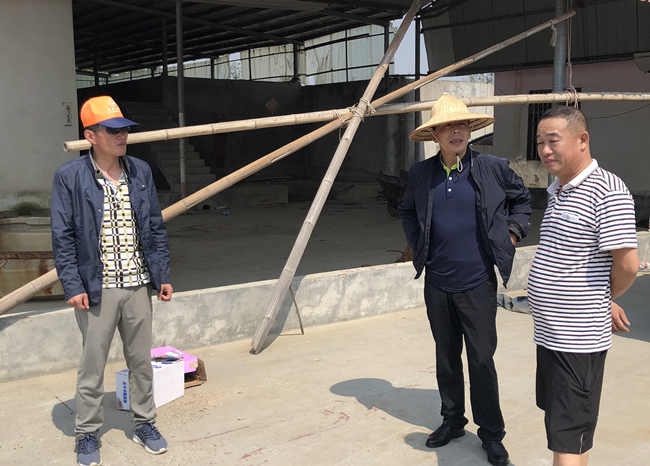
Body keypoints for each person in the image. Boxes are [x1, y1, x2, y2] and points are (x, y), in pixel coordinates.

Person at [398, 94, 531, 466]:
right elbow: (406, 211)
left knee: (481, 360)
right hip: (438, 283)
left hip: (477, 283)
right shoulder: (421, 174)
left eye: (462, 125)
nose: (456, 131)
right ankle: (453, 420)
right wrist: (419, 244)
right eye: (447, 127)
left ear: (470, 130)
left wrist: (512, 234)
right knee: (446, 356)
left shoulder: (492, 167)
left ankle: (491, 434)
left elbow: (522, 200)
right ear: (435, 135)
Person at [51, 96, 173, 466]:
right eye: (113, 131)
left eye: (125, 130)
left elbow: (154, 227)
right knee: (92, 366)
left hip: (138, 283)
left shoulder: (140, 171)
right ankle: (87, 434)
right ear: (91, 136)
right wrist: (73, 285)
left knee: (141, 362)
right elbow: (63, 236)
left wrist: (162, 274)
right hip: (97, 289)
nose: (122, 136)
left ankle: (144, 423)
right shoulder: (70, 177)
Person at [528, 106, 638, 466]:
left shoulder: (608, 191)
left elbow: (627, 265)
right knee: (567, 432)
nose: (545, 150)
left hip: (576, 343)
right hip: (551, 336)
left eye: (553, 141)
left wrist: (602, 298)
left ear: (582, 140)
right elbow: (581, 261)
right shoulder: (559, 189)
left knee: (568, 438)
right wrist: (603, 299)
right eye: (540, 142)